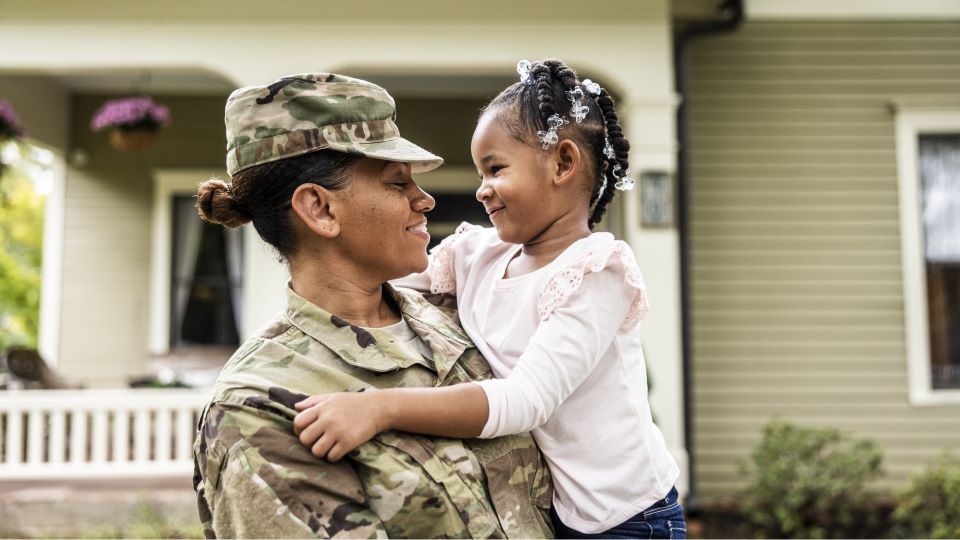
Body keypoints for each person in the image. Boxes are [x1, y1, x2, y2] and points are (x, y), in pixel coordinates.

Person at [293, 59, 685, 539]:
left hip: (630, 517)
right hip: (553, 508)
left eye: (495, 169)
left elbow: (524, 401)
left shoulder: (596, 274)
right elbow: (378, 291)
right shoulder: (477, 253)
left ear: (563, 163)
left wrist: (379, 408)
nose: (481, 190)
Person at [191, 73, 554, 539]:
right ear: (320, 209)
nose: (424, 199)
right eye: (396, 183)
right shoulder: (259, 407)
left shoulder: (462, 318)